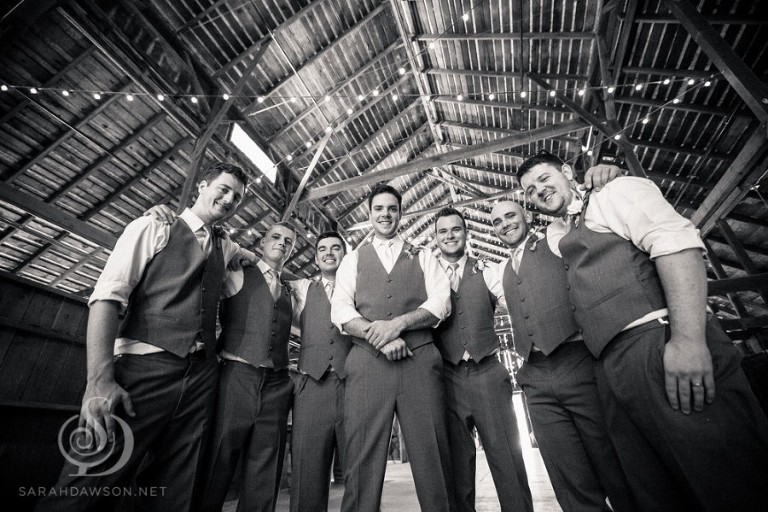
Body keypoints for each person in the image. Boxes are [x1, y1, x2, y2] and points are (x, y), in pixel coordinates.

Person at [518, 150, 768, 511]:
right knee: (653, 487)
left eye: (544, 179)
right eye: (529, 190)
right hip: (611, 367)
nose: (538, 190)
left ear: (568, 172)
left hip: (658, 341)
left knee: (722, 472)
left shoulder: (614, 193)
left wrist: (688, 340)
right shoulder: (560, 233)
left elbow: (677, 246)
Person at [36, 163, 251, 512]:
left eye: (237, 197)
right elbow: (107, 299)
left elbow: (264, 264)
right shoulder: (153, 226)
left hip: (201, 377)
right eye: (223, 189)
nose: (229, 200)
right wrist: (99, 381)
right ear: (202, 186)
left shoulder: (226, 246)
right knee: (90, 480)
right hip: (143, 368)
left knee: (175, 490)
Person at [490, 197, 636, 512]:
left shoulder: (555, 240)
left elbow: (576, 213)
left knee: (611, 458)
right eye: (497, 222)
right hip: (534, 373)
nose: (505, 224)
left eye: (510, 216)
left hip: (576, 359)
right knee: (566, 472)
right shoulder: (501, 270)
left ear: (527, 216)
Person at [331, 183, 454, 512]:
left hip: (420, 363)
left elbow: (441, 303)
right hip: (367, 365)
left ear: (401, 213)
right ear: (369, 214)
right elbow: (340, 310)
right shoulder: (353, 259)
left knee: (432, 454)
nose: (385, 214)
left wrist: (398, 324)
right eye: (379, 209)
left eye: (392, 209)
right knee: (361, 458)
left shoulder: (424, 255)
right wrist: (380, 336)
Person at [432, 207, 533, 512]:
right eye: (443, 231)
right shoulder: (427, 275)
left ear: (467, 233)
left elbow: (519, 304)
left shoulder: (488, 270)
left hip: (487, 372)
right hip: (446, 378)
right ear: (435, 237)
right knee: (458, 469)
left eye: (456, 229)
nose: (450, 236)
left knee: (507, 459)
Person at [198, 221, 297, 512]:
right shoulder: (237, 271)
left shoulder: (290, 290)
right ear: (262, 242)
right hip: (237, 375)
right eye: (275, 237)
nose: (282, 243)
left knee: (265, 468)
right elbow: (203, 254)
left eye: (288, 241)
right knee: (218, 457)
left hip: (277, 384)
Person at [289, 231, 353, 512]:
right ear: (315, 258)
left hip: (353, 386)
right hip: (312, 386)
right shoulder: (303, 288)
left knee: (360, 469)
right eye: (323, 249)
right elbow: (268, 268)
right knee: (308, 469)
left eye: (336, 248)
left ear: (345, 255)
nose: (329, 253)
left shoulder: (359, 288)